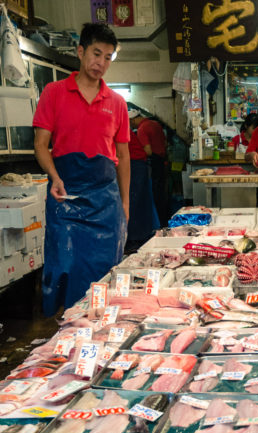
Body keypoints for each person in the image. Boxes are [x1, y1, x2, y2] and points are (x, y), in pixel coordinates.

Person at [33, 22, 130, 316]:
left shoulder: (117, 103)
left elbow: (123, 157)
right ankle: (65, 332)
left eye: (108, 57)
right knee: (64, 266)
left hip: (105, 199)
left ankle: (99, 332)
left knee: (105, 269)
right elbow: (40, 145)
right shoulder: (54, 92)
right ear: (80, 51)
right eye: (96, 53)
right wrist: (55, 177)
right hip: (65, 195)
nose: (100, 63)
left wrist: (125, 202)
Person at [127, 109, 159, 252]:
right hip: (141, 165)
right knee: (142, 201)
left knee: (134, 203)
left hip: (135, 165)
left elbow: (148, 150)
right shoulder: (153, 124)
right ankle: (142, 236)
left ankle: (135, 240)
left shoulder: (142, 128)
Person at [129, 110, 168, 226]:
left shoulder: (142, 129)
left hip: (153, 163)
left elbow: (148, 151)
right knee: (162, 194)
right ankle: (164, 221)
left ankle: (157, 224)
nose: (131, 126)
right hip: (162, 161)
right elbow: (165, 143)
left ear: (134, 119)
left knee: (154, 195)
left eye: (131, 123)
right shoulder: (156, 124)